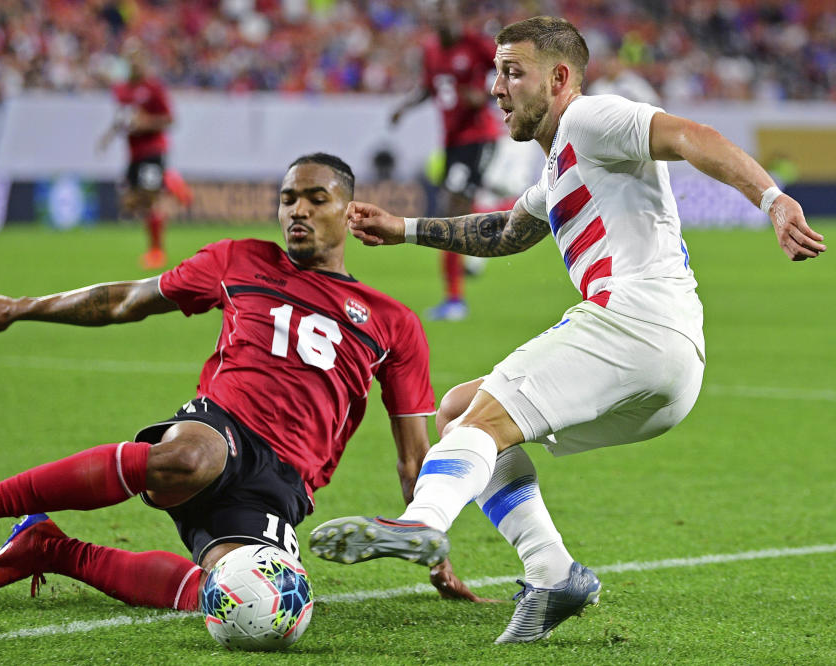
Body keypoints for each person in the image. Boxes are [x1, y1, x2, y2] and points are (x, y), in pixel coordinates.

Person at [309, 16, 826, 644]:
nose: (496, 87)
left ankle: (422, 521)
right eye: (495, 71)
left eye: (512, 71)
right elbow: (503, 232)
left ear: (558, 78)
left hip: (634, 323)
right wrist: (404, 228)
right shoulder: (559, 168)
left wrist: (773, 200)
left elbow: (692, 135)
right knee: (460, 410)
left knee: (482, 420)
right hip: (669, 370)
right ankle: (553, 572)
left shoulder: (590, 118)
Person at [0, 153, 486, 610]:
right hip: (221, 427)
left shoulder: (394, 323)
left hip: (284, 481)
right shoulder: (240, 260)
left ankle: (51, 549)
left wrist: (431, 546)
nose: (297, 210)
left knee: (254, 604)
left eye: (315, 198)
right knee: (193, 456)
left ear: (349, 211)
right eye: (287, 199)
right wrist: (20, 307)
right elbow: (122, 301)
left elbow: (415, 459)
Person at [390, 0, 500, 321]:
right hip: (452, 142)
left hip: (479, 137)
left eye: (448, 16)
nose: (443, 23)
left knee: (452, 209)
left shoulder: (477, 45)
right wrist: (404, 107)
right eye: (437, 18)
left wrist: (488, 95)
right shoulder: (431, 50)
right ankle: (480, 243)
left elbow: (508, 70)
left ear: (457, 18)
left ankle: (456, 297)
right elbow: (428, 87)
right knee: (453, 211)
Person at [97, 40, 191, 271]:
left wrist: (146, 122)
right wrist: (108, 136)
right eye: (130, 59)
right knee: (129, 205)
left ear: (144, 61)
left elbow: (170, 120)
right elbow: (123, 118)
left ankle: (156, 251)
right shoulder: (122, 90)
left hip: (153, 150)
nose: (135, 63)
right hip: (134, 155)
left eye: (138, 58)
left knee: (150, 201)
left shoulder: (153, 88)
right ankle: (171, 181)